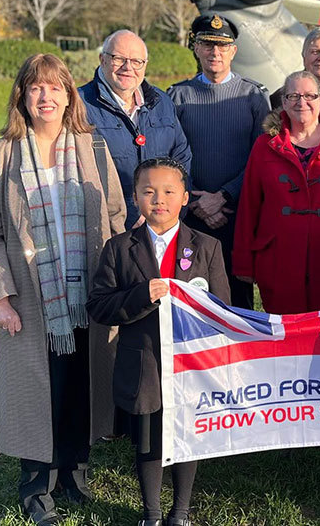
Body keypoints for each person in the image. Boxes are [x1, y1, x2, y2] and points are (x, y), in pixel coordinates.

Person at [0, 53, 126, 525]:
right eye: (36, 88)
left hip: (88, 293)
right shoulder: (1, 155)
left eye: (55, 87)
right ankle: (37, 486)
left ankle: (75, 476)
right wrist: (0, 296)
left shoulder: (93, 149)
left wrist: (117, 284)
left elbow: (116, 216)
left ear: (68, 96)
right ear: (22, 94)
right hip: (32, 297)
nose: (46, 96)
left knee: (82, 384)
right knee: (40, 391)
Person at [87, 158, 230, 526]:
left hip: (192, 366)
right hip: (144, 363)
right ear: (135, 197)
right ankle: (151, 513)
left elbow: (223, 310)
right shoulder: (119, 248)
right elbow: (99, 306)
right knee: (149, 441)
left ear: (185, 197)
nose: (159, 199)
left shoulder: (208, 246)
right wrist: (140, 296)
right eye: (149, 191)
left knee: (186, 437)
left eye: (169, 191)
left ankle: (179, 512)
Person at [233, 70, 320, 314]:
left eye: (309, 95)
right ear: (283, 102)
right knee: (285, 339)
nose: (301, 102)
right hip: (278, 259)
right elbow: (249, 206)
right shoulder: (265, 146)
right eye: (293, 95)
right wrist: (244, 262)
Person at [168, 13, 270, 309]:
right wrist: (197, 200)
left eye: (223, 46)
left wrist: (225, 196)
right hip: (190, 214)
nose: (215, 52)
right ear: (196, 48)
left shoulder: (253, 95)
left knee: (237, 298)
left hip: (237, 214)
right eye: (207, 44)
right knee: (193, 297)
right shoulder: (177, 96)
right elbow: (171, 156)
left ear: (233, 51)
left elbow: (260, 156)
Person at [79, 29, 192, 230]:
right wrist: (131, 215)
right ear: (102, 59)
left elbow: (181, 156)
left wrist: (171, 209)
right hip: (109, 228)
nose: (128, 67)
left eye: (136, 61)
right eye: (119, 58)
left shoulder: (161, 102)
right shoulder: (80, 105)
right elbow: (80, 172)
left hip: (162, 224)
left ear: (145, 65)